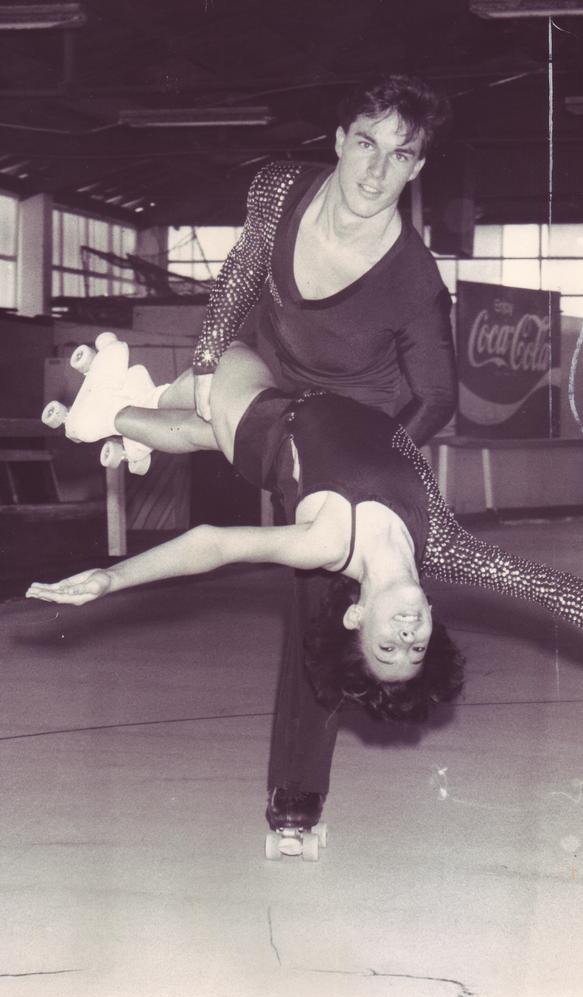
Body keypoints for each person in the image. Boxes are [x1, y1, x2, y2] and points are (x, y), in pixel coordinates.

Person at [45, 74, 459, 833]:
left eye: (398, 156)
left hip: (351, 424)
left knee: (320, 601)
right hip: (261, 373)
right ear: (338, 141)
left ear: (416, 168)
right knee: (210, 408)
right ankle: (124, 413)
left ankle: (296, 800)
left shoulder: (414, 281)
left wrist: (371, 457)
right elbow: (237, 281)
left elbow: (438, 398)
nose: (375, 169)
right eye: (365, 143)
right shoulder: (280, 190)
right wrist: (205, 364)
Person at [28, 340, 583, 686]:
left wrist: (114, 578)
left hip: (264, 425)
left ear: (357, 615)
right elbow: (554, 587)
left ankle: (109, 414)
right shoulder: (451, 549)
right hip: (315, 402)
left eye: (387, 648)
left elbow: (212, 543)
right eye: (416, 648)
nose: (407, 639)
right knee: (192, 431)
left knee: (226, 362)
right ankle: (127, 421)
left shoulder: (325, 545)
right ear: (430, 618)